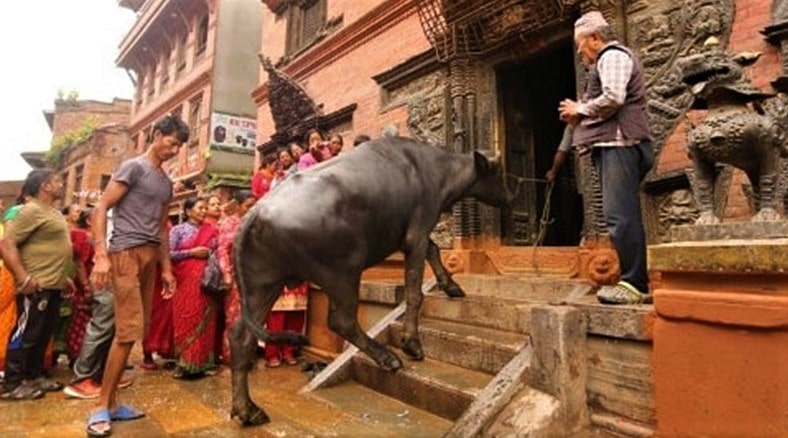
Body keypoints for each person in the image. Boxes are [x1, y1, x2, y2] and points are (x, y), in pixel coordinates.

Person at [87, 115, 188, 436]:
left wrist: (168, 269)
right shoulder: (133, 167)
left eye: (179, 146)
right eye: (171, 142)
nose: (174, 150)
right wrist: (101, 256)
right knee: (127, 332)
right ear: (157, 135)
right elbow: (101, 208)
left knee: (135, 330)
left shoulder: (165, 182)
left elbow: (161, 227)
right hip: (124, 255)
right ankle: (101, 405)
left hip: (148, 257)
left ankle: (114, 403)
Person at [558, 11, 654, 305]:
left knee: (619, 215)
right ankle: (634, 280)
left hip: (620, 142)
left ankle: (634, 283)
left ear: (595, 37)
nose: (578, 50)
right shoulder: (606, 59)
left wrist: (580, 109)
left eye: (579, 43)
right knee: (621, 213)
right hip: (614, 143)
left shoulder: (611, 56)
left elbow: (614, 97)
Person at [0, 169, 71, 400]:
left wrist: (64, 277)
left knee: (43, 333)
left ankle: (34, 375)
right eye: (58, 181)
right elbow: (7, 244)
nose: (62, 184)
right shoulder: (30, 211)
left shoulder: (54, 213)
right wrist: (23, 277)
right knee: (26, 333)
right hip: (35, 286)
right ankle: (12, 383)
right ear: (45, 186)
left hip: (53, 284)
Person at [169, 197, 219, 379]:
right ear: (188, 211)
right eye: (200, 208)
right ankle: (185, 363)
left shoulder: (212, 231)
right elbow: (168, 254)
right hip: (185, 281)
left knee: (206, 321)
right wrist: (192, 252)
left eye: (205, 208)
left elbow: (218, 253)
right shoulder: (178, 230)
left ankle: (203, 362)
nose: (204, 211)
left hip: (206, 280)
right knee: (186, 318)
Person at [216, 190, 257, 363]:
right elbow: (223, 250)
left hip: (255, 277)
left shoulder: (257, 224)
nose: (252, 208)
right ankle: (231, 356)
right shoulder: (229, 223)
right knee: (234, 317)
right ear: (238, 206)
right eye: (248, 206)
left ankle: (248, 355)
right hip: (235, 277)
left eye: (254, 205)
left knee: (253, 317)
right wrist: (226, 274)